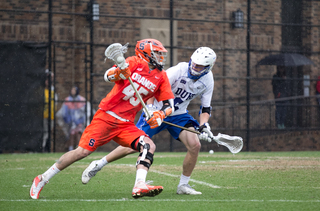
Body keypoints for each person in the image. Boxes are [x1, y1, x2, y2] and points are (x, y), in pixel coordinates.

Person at [30, 38, 175, 199]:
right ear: (146, 53)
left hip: (126, 124)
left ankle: (139, 185)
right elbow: (108, 75)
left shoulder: (161, 76)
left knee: (148, 145)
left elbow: (169, 105)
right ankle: (42, 179)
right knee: (82, 152)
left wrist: (161, 114)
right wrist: (119, 72)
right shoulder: (134, 62)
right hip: (107, 116)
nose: (161, 57)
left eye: (161, 54)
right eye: (157, 53)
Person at [81, 47, 216, 195]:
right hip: (157, 112)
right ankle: (99, 164)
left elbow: (205, 108)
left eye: (199, 66)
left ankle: (183, 185)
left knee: (195, 145)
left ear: (208, 68)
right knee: (133, 146)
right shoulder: (178, 71)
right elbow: (153, 88)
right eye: (194, 63)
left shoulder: (208, 80)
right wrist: (151, 109)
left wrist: (204, 125)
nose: (194, 67)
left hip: (179, 114)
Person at [60, 86, 86, 151]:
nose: (73, 91)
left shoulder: (81, 100)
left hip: (78, 120)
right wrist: (68, 120)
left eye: (74, 90)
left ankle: (79, 147)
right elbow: (65, 112)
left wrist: (80, 120)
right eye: (72, 90)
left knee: (78, 133)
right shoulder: (68, 100)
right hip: (70, 120)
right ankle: (70, 148)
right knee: (71, 134)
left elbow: (83, 111)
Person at [42, 71, 57, 152]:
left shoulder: (52, 91)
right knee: (44, 133)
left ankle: (46, 148)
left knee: (48, 133)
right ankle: (42, 148)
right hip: (43, 116)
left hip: (50, 116)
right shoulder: (42, 91)